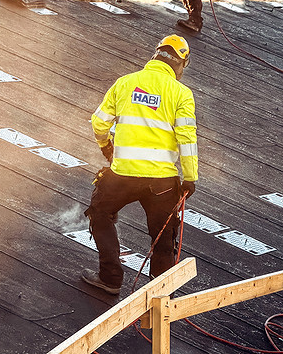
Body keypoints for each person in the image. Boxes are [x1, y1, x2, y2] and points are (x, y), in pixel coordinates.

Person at [81, 35, 198, 294]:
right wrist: (189, 178)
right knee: (163, 238)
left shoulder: (125, 83)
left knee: (100, 213)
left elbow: (99, 122)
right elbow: (187, 138)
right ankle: (159, 295)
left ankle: (110, 278)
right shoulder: (181, 93)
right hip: (163, 183)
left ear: (156, 55)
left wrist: (106, 146)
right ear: (181, 63)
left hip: (122, 175)